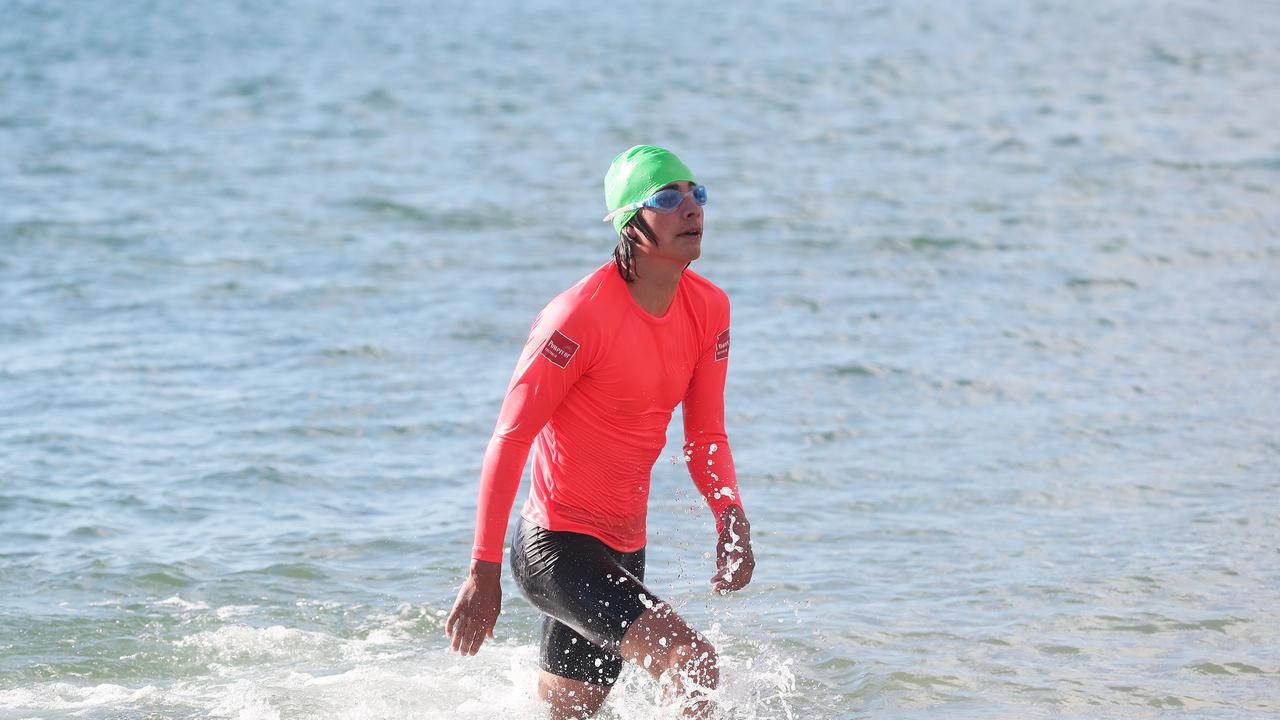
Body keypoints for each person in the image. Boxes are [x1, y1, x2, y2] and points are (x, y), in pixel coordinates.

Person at [445, 145, 755, 719]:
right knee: (692, 664)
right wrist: (482, 568)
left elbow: (706, 435)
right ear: (630, 223)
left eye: (697, 194)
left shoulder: (710, 307)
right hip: (555, 548)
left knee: (570, 714)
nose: (691, 208)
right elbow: (511, 439)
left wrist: (729, 514)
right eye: (667, 197)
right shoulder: (577, 317)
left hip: (623, 550)